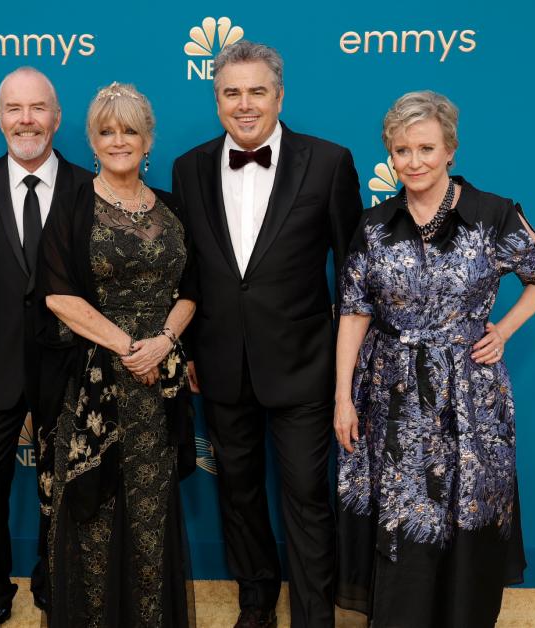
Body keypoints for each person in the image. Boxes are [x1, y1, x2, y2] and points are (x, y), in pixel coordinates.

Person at [333, 90, 535, 627]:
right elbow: (353, 312)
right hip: (390, 390)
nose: (414, 162)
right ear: (389, 154)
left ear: (450, 151)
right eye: (401, 150)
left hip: (468, 392)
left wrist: (502, 329)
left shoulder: (492, 214)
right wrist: (344, 397)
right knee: (401, 511)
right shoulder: (373, 224)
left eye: (426, 149)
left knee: (468, 507)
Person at [170, 41, 361, 627]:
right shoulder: (189, 166)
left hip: (304, 365)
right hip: (221, 363)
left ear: (280, 95)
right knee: (240, 494)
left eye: (257, 91)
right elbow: (189, 272)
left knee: (306, 496)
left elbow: (353, 273)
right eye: (231, 92)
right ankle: (255, 605)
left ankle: (312, 615)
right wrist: (189, 347)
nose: (244, 104)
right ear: (216, 100)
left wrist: (346, 374)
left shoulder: (328, 162)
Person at [39, 82, 198, 627]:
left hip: (159, 388)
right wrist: (130, 347)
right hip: (95, 385)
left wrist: (164, 343)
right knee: (96, 517)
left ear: (147, 137)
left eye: (129, 129)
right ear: (92, 139)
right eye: (107, 131)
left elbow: (193, 290)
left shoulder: (173, 206)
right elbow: (58, 294)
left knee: (151, 517)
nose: (118, 140)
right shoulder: (73, 203)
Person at [0, 66, 93, 627]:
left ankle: (52, 582)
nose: (26, 119)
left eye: (38, 108)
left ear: (57, 118)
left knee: (65, 481)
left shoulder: (92, 187)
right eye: (14, 109)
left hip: (71, 361)